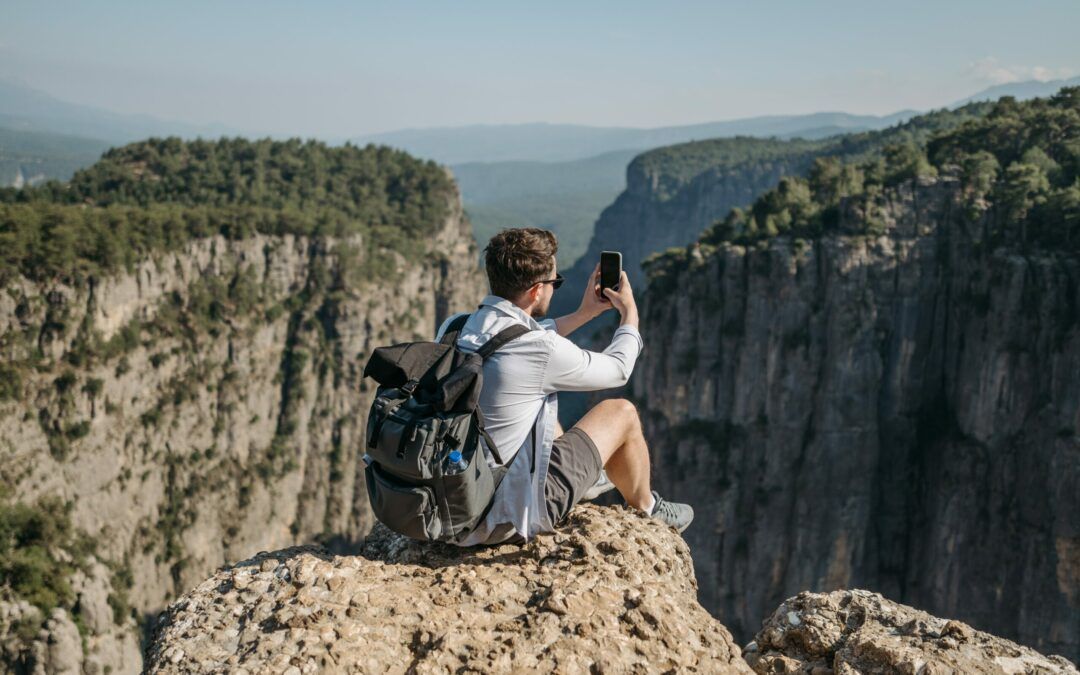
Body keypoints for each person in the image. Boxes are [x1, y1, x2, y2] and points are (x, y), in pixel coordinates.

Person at [436, 227, 693, 546]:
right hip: (498, 517)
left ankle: (584, 480)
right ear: (536, 291)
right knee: (622, 412)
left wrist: (585, 313)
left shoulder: (454, 327)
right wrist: (630, 313)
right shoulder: (539, 350)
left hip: (450, 503)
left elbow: (514, 338)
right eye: (554, 283)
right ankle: (648, 507)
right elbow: (619, 369)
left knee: (540, 408)